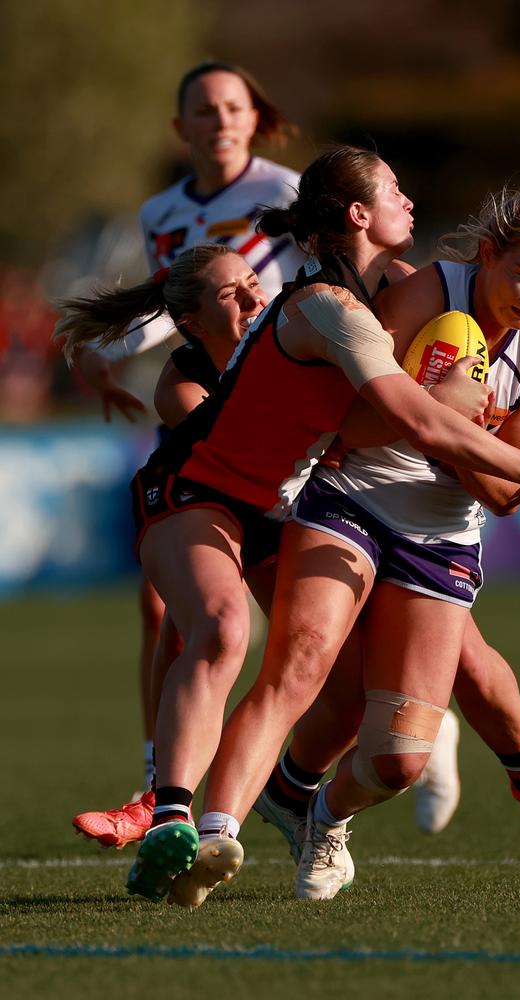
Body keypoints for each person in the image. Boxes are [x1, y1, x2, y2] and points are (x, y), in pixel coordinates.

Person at [92, 148, 520, 909]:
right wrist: (508, 450)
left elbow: (477, 467)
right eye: (394, 189)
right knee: (240, 638)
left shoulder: (412, 293)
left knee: (386, 728)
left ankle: (308, 806)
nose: (411, 199)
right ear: (360, 214)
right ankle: (191, 822)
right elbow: (387, 421)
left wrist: (510, 422)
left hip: (323, 509)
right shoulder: (341, 305)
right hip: (258, 496)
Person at [253, 189, 520, 899]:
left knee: (399, 761)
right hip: (352, 498)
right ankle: (205, 825)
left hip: (440, 532)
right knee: (308, 664)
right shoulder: (426, 294)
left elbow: (506, 497)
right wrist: (440, 422)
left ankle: (320, 810)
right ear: (486, 255)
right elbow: (351, 418)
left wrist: (454, 442)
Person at [70, 60, 305, 844]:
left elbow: (328, 288)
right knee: (171, 608)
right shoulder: (161, 212)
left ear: (254, 115)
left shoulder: (287, 193)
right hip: (208, 405)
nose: (220, 121)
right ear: (182, 130)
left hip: (290, 414)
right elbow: (179, 308)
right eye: (204, 110)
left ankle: (404, 723)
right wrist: (115, 346)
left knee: (315, 633)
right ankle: (156, 791)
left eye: (234, 106)